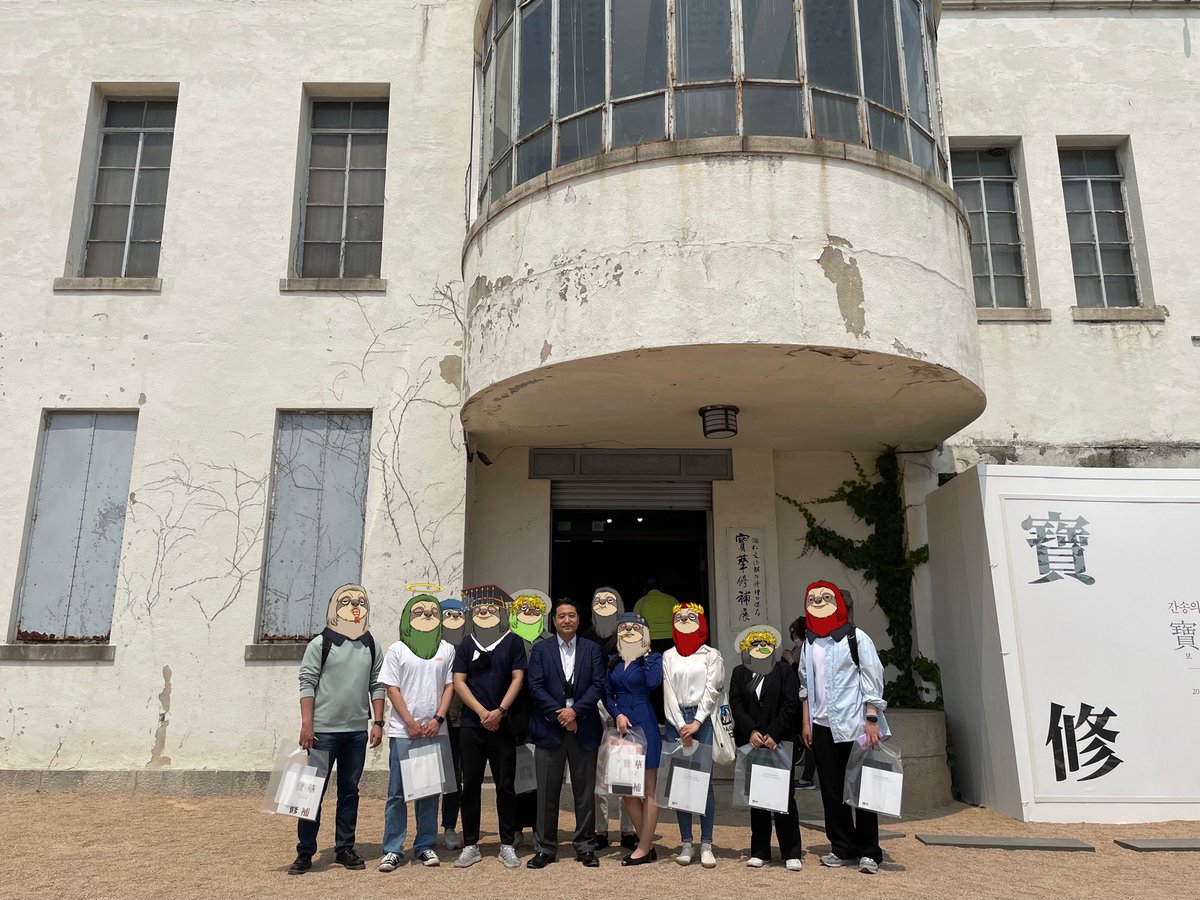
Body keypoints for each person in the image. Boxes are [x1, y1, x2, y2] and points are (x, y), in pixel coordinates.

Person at [290, 584, 384, 875]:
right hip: (323, 734)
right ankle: (305, 853)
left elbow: (377, 684)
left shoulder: (371, 644)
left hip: (356, 732)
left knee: (349, 792)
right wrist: (308, 725)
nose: (355, 606)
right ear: (334, 607)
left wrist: (377, 722)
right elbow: (307, 682)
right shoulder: (320, 644)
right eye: (346, 601)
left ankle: (345, 848)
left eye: (360, 602)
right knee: (311, 794)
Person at [798, 580, 889, 876]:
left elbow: (872, 677)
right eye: (813, 598)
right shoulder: (810, 641)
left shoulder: (855, 637)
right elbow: (805, 683)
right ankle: (841, 845)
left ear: (838, 603)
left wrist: (872, 718)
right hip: (821, 725)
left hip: (855, 725)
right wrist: (807, 721)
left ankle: (869, 851)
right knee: (832, 790)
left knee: (862, 790)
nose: (819, 602)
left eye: (826, 597)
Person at [525, 598, 606, 869]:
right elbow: (535, 687)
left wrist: (576, 713)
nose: (567, 620)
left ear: (579, 619)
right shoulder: (541, 650)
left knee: (584, 792)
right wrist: (561, 714)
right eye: (561, 616)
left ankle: (585, 845)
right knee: (547, 791)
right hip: (550, 727)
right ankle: (545, 847)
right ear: (554, 621)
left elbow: (598, 685)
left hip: (584, 726)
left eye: (572, 615)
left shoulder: (592, 650)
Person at [451, 585, 528, 869]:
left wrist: (500, 711)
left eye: (492, 608)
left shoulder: (513, 641)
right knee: (469, 784)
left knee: (505, 785)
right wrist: (483, 711)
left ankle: (507, 843)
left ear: (502, 613)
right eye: (480, 609)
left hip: (502, 724)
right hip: (472, 723)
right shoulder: (466, 643)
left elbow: (518, 677)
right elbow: (459, 681)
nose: (485, 613)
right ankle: (470, 844)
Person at [378, 593, 456, 871]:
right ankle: (393, 848)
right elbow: (391, 688)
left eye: (432, 611)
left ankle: (424, 846)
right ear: (408, 616)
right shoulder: (397, 649)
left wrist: (438, 718)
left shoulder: (446, 648)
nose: (426, 615)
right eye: (419, 610)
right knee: (397, 793)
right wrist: (409, 722)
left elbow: (449, 686)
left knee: (428, 791)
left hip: (434, 731)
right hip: (403, 731)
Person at [729, 625, 802, 872]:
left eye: (764, 644)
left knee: (784, 796)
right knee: (758, 797)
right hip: (752, 741)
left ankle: (791, 851)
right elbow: (736, 704)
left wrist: (775, 733)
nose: (760, 648)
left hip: (779, 741)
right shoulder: (740, 672)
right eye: (755, 644)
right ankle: (760, 850)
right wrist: (751, 730)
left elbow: (791, 704)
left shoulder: (784, 671)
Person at [662, 602, 723, 868]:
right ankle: (686, 842)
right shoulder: (668, 655)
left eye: (691, 617)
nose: (685, 621)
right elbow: (668, 692)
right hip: (676, 721)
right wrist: (679, 724)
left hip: (703, 721)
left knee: (704, 783)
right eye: (680, 617)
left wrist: (697, 721)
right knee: (681, 783)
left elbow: (713, 688)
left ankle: (706, 843)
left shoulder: (711, 654)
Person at [603, 612, 663, 866]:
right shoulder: (612, 661)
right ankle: (645, 842)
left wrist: (646, 655)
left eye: (636, 628)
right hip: (622, 728)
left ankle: (644, 847)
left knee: (649, 790)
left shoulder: (653, 659)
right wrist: (616, 714)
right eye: (625, 628)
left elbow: (653, 683)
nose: (629, 631)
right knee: (626, 791)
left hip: (645, 723)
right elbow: (607, 694)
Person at [582, 586, 637, 851]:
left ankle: (628, 830)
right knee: (599, 777)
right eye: (599, 601)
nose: (604, 605)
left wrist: (619, 711)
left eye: (610, 600)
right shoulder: (585, 638)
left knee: (626, 772)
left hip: (624, 714)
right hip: (594, 712)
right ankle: (600, 830)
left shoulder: (628, 636)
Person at [509, 588, 552, 847]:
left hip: (542, 716)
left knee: (540, 778)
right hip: (514, 715)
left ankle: (540, 831)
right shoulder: (506, 639)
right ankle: (514, 829)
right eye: (523, 609)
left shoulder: (549, 641)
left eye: (534, 609)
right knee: (514, 774)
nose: (529, 613)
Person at [437, 597, 469, 850]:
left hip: (466, 722)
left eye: (458, 615)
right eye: (447, 615)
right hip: (436, 722)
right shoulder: (430, 647)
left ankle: (455, 826)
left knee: (460, 777)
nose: (453, 620)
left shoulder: (470, 645)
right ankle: (436, 829)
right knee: (440, 777)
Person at [783, 617, 817, 791]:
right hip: (796, 699)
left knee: (808, 738)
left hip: (805, 699)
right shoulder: (799, 647)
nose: (791, 633)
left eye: (793, 629)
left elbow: (804, 676)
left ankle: (807, 777)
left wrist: (791, 661)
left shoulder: (808, 647)